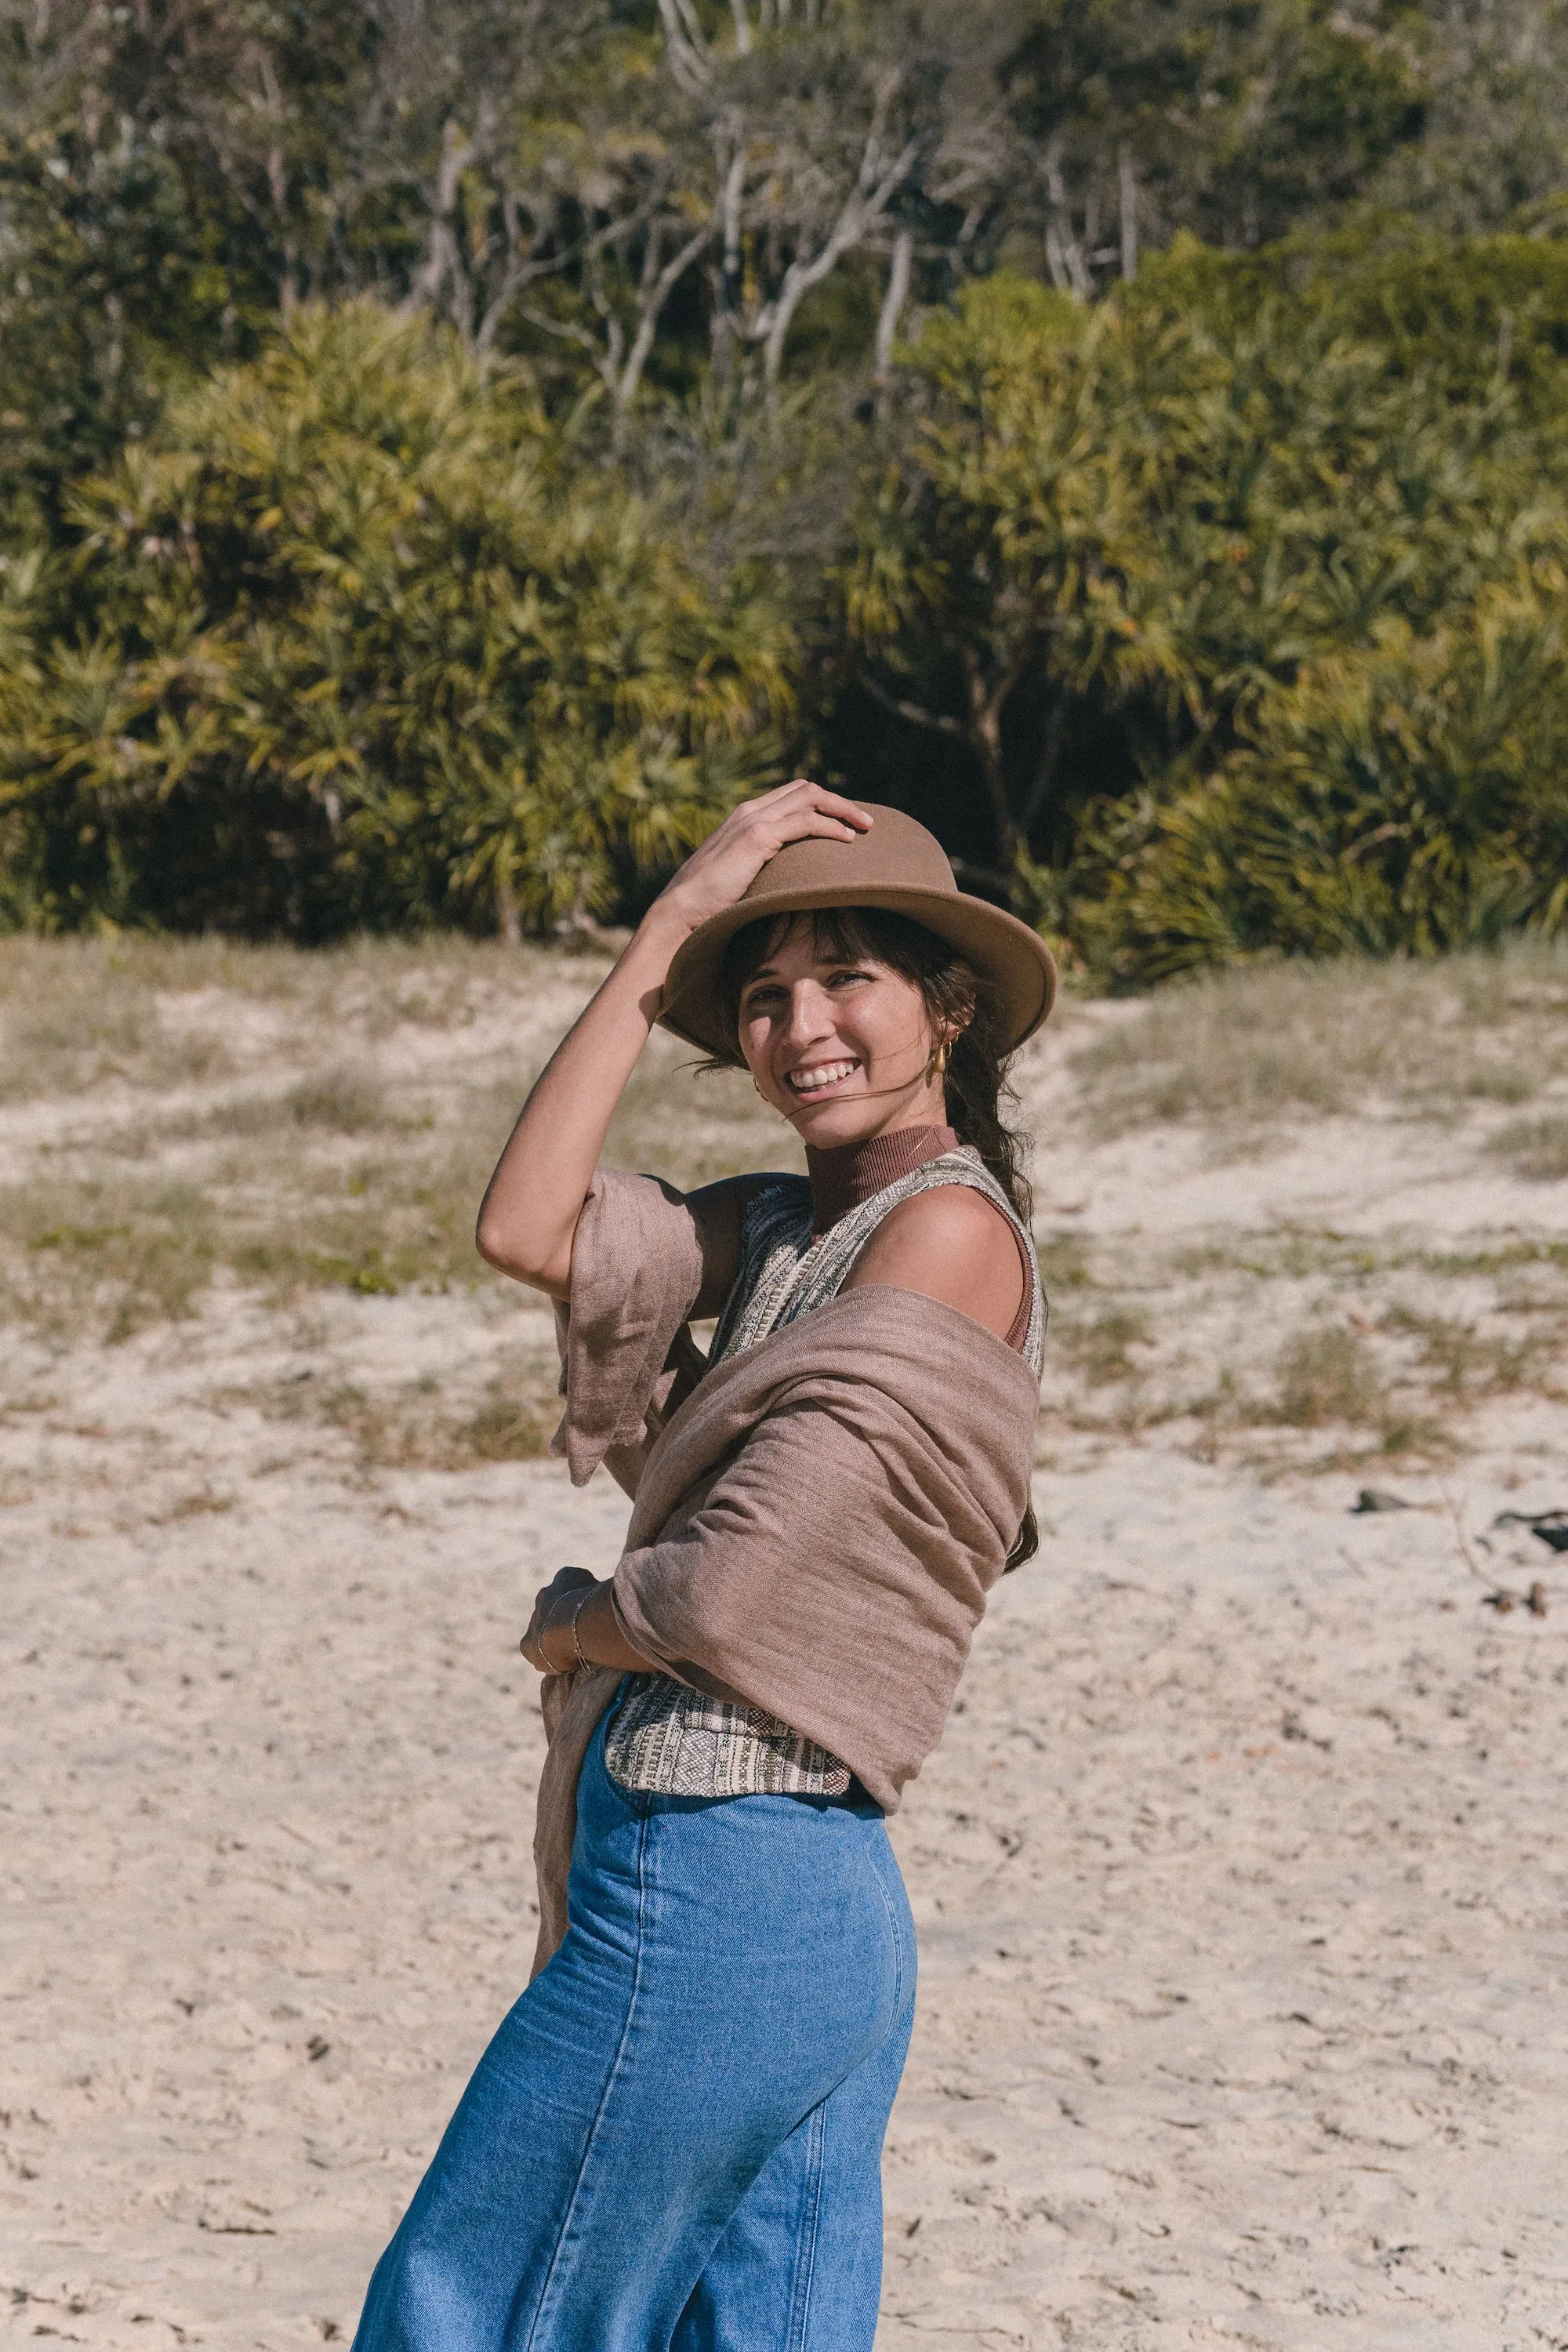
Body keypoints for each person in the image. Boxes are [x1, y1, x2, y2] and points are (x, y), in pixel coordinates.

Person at [350, 782, 1057, 2352]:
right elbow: (531, 1225)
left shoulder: (940, 1236)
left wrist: (571, 1632)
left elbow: (728, 1591)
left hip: (722, 1869)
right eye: (760, 994)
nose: (800, 1025)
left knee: (471, 2308)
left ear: (945, 1008)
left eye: (845, 979)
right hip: (792, 1894)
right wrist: (665, 928)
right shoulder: (792, 1224)